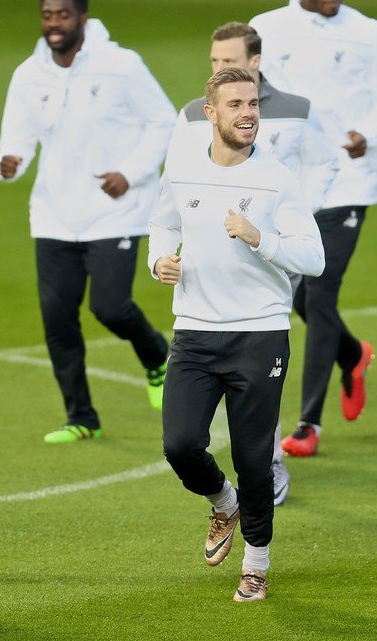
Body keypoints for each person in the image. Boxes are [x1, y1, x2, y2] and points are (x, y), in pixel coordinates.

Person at [149, 67, 325, 602]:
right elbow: (163, 223)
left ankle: (257, 563)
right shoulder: (181, 170)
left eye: (253, 104)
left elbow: (313, 258)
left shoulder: (276, 178)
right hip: (196, 333)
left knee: (254, 458)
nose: (249, 113)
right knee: (179, 444)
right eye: (236, 105)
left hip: (259, 333)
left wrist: (261, 238)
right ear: (212, 112)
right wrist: (160, 260)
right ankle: (222, 501)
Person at [0, 0, 174, 443]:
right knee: (57, 319)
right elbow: (14, 138)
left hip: (115, 209)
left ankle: (156, 357)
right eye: (48, 15)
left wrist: (130, 173)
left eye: (63, 15)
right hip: (53, 214)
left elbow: (163, 121)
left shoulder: (122, 65)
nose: (54, 23)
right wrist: (7, 163)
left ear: (83, 19)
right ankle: (81, 417)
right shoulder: (28, 74)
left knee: (110, 307)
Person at [170, 22, 340, 506]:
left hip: (273, 243)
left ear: (256, 60)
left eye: (230, 61)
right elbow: (174, 189)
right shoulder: (190, 116)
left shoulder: (296, 111)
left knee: (263, 349)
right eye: (215, 62)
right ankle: (242, 485)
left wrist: (294, 216)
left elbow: (325, 165)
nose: (221, 68)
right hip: (214, 257)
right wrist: (168, 251)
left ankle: (268, 463)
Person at [251, 0, 377, 458]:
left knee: (319, 293)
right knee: (296, 293)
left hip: (349, 180)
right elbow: (251, 87)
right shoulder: (268, 27)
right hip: (289, 181)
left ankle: (307, 424)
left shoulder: (369, 32)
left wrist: (370, 131)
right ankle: (352, 353)